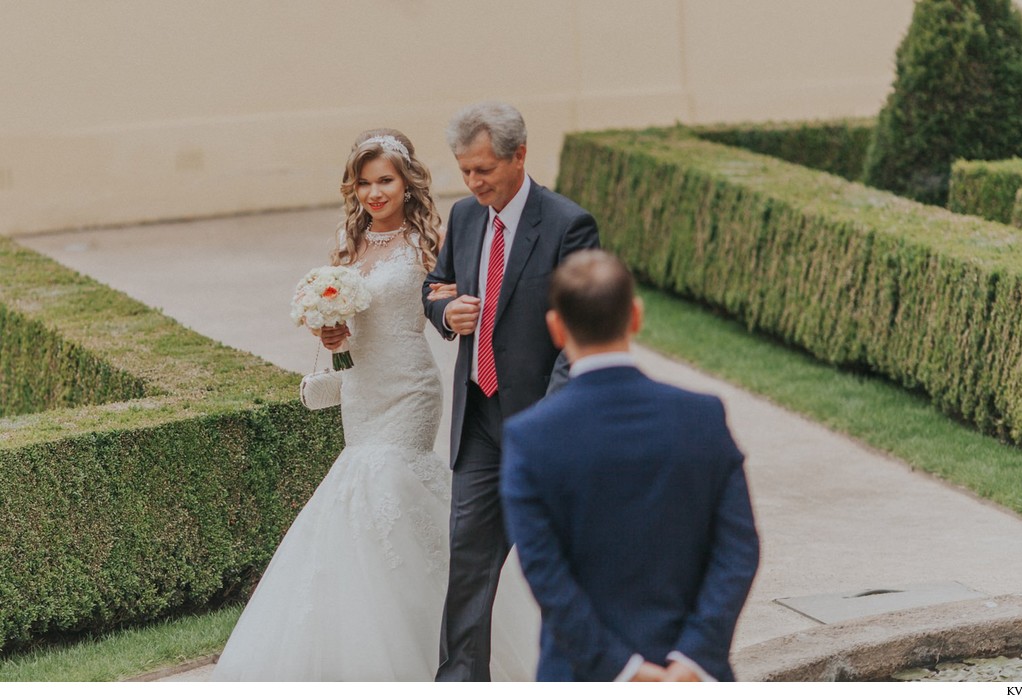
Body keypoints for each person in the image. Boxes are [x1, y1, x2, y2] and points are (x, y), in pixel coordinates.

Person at [212, 129, 536, 681]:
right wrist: (332, 332)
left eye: (384, 180)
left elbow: (445, 301)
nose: (373, 192)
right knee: (361, 499)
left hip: (409, 388)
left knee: (386, 481)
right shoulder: (348, 240)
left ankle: (452, 650)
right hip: (361, 390)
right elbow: (342, 318)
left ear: (407, 183)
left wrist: (459, 312)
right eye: (364, 182)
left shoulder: (425, 241)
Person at [500, 250, 760, 682]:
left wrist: (624, 671)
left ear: (556, 328)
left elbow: (546, 575)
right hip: (693, 677)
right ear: (636, 316)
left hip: (582, 673)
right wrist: (692, 660)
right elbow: (738, 550)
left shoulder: (530, 436)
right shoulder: (703, 415)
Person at [422, 101, 600, 682]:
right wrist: (448, 311)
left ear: (519, 155)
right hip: (476, 424)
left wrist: (548, 422)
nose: (473, 183)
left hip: (542, 431)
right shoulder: (466, 217)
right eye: (465, 171)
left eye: (484, 171)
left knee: (565, 572)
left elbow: (581, 334)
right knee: (467, 567)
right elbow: (435, 286)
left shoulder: (570, 225)